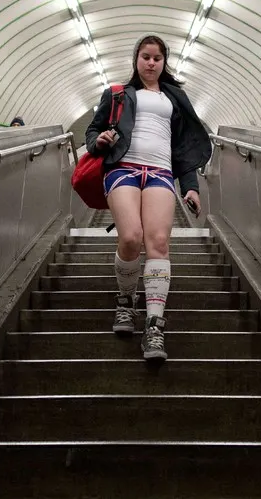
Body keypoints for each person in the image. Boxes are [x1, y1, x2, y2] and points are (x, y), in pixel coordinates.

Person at [85, 34, 211, 361]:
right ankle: (126, 302)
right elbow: (91, 132)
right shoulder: (118, 95)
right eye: (145, 57)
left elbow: (183, 148)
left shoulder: (175, 99)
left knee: (158, 242)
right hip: (122, 169)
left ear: (164, 62)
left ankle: (154, 326)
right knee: (130, 237)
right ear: (136, 59)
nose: (151, 63)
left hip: (160, 173)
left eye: (157, 58)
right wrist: (100, 140)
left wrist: (191, 186)